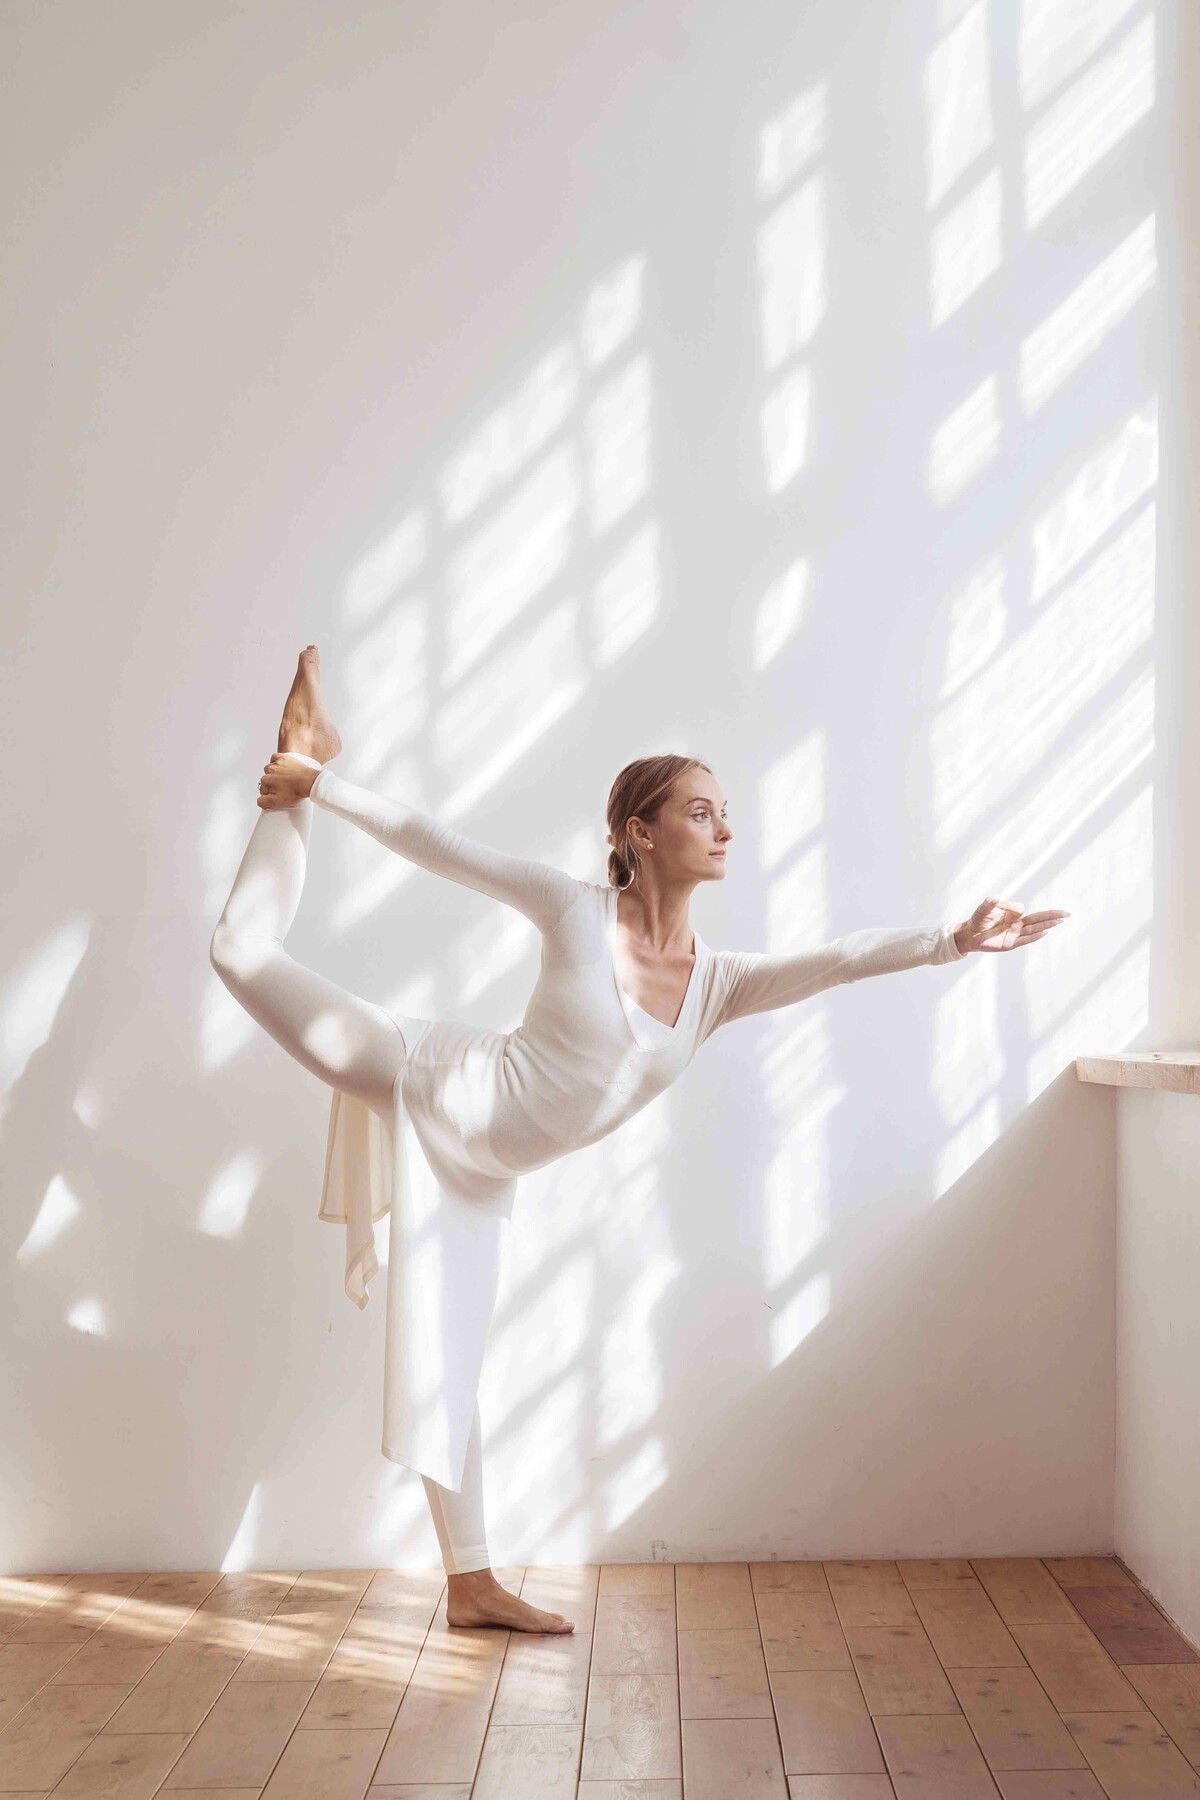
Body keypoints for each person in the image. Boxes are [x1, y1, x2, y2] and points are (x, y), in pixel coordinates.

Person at [209, 645, 1068, 1633]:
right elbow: (435, 843)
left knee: (450, 1359)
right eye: (701, 810)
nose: (725, 826)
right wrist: (324, 786)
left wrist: (953, 940)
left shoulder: (717, 984)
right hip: (429, 1078)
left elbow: (833, 962)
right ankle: (293, 772)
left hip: (484, 1172)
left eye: (724, 810)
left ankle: (470, 1585)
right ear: (639, 832)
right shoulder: (572, 908)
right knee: (238, 949)